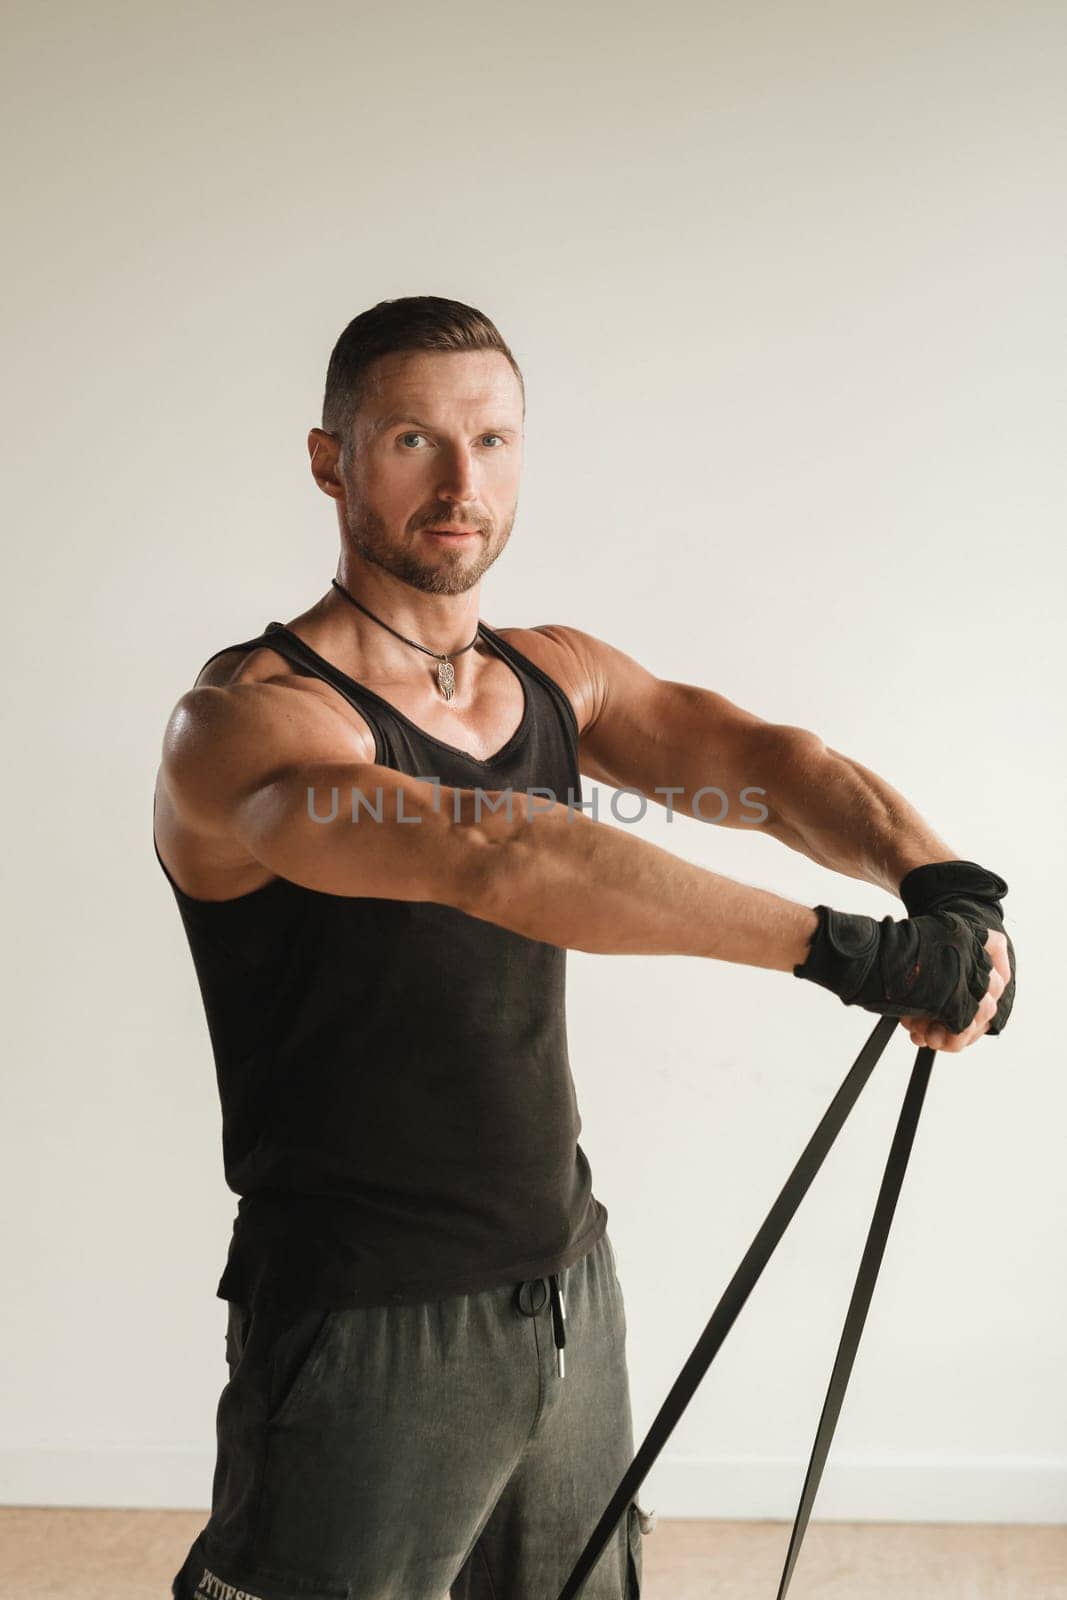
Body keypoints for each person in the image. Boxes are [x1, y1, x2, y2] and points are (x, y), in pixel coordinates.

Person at [154, 295, 1015, 1600]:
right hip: (365, 1318)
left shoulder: (551, 676)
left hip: (565, 1288)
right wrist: (844, 951)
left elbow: (760, 766)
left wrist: (937, 878)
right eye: (413, 441)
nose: (462, 482)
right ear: (331, 458)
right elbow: (497, 857)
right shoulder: (248, 731)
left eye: (493, 441)